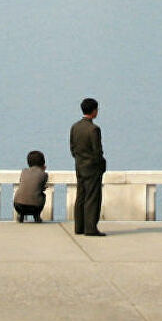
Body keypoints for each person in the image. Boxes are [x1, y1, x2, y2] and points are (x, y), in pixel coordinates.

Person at [69, 99, 106, 237]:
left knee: (81, 196)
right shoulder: (94, 129)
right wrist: (101, 165)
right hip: (92, 168)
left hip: (79, 166)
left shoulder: (75, 127)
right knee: (92, 198)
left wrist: (79, 160)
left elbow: (72, 148)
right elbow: (97, 152)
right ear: (94, 111)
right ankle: (90, 228)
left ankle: (79, 227)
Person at [14, 150, 48, 223]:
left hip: (18, 205)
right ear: (43, 162)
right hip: (35, 207)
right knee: (43, 195)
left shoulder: (24, 171)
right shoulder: (44, 174)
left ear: (28, 163)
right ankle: (37, 216)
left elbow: (21, 182)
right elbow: (41, 187)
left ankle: (21, 216)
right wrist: (43, 170)